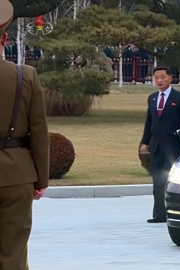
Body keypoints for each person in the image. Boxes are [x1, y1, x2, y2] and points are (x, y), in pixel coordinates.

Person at [0, 0, 50, 269]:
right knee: (14, 253)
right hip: (17, 175)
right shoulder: (26, 76)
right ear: (5, 38)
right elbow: (39, 132)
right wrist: (40, 178)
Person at [139, 66, 180, 223]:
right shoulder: (152, 98)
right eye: (156, 77)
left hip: (174, 146)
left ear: (170, 78)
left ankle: (179, 212)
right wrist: (145, 142)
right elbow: (149, 122)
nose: (159, 80)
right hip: (157, 147)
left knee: (176, 182)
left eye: (163, 77)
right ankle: (159, 214)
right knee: (158, 182)